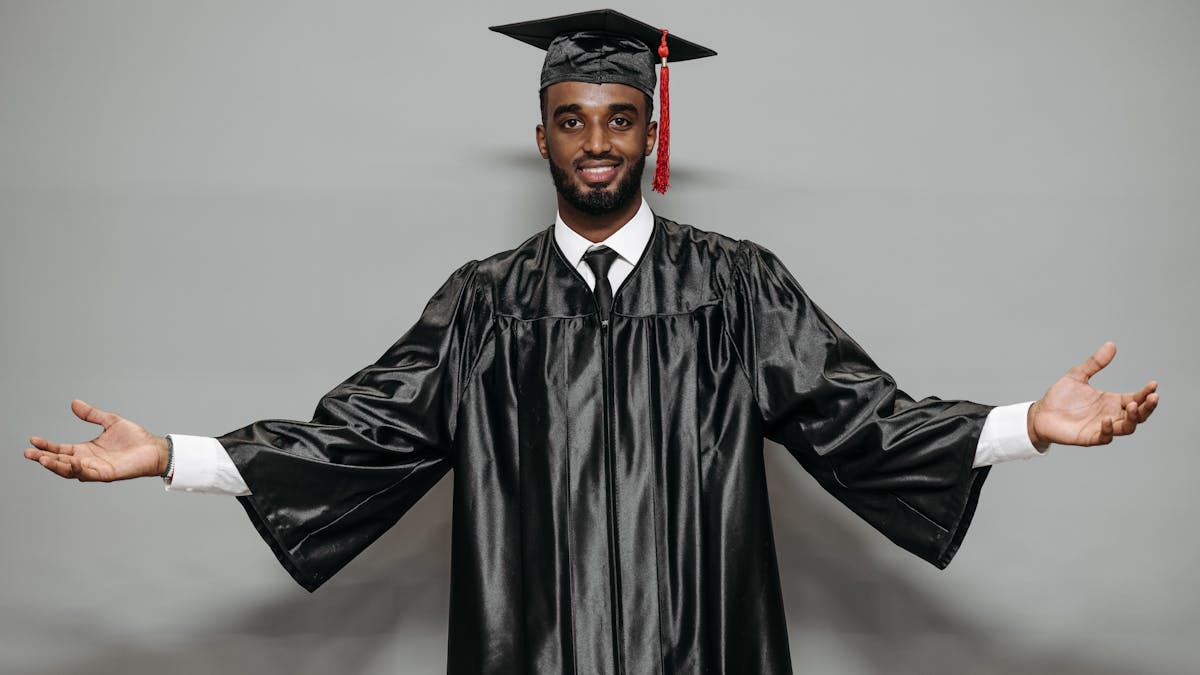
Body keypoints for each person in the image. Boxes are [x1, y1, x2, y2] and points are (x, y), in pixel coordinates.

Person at [23, 9, 1158, 674]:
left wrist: (1029, 428)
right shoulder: (484, 302)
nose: (597, 142)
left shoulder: (733, 283)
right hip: (536, 647)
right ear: (544, 138)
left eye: (619, 118)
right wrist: (170, 454)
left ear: (650, 132)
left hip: (700, 646)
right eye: (574, 120)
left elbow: (859, 419)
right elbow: (356, 439)